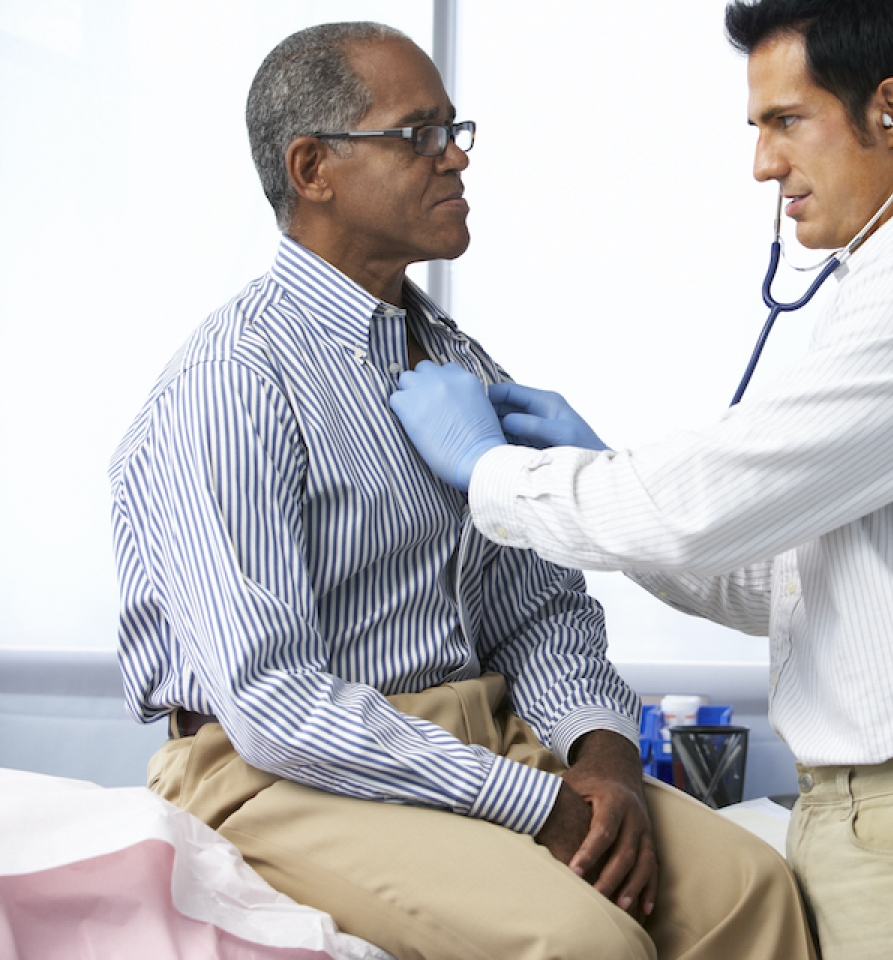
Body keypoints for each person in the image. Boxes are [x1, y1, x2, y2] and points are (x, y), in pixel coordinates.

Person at [389, 1, 893, 958]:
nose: (763, 167)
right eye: (758, 129)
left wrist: (494, 472)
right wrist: (599, 474)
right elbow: (789, 583)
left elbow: (700, 510)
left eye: (785, 122)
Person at [108, 21, 814, 960]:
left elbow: (536, 610)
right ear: (312, 167)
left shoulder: (459, 364)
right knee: (583, 941)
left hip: (482, 740)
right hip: (280, 772)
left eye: (454, 130)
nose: (456, 160)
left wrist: (604, 756)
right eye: (418, 135)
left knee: (754, 890)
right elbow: (273, 700)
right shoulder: (235, 382)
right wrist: (537, 803)